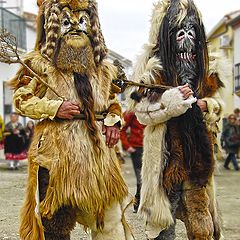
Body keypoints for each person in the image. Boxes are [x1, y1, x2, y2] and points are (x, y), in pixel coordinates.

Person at [9, 1, 133, 239]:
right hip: (57, 161)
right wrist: (54, 107)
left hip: (99, 160)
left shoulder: (104, 69)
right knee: (54, 226)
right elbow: (21, 99)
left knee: (108, 222)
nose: (75, 27)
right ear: (53, 26)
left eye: (82, 21)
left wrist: (114, 121)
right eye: (66, 22)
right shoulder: (38, 64)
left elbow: (114, 104)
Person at [129, 0, 224, 239]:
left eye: (191, 32)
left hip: (199, 155)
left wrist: (207, 105)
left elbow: (219, 104)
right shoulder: (152, 69)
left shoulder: (207, 68)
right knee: (163, 225)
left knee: (201, 222)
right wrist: (170, 101)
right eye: (179, 33)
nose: (186, 39)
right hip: (165, 157)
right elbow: (141, 112)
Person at [120, 111, 145, 213]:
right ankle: (138, 202)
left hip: (151, 147)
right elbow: (122, 128)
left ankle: (144, 203)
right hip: (137, 149)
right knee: (140, 177)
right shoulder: (132, 112)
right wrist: (128, 146)